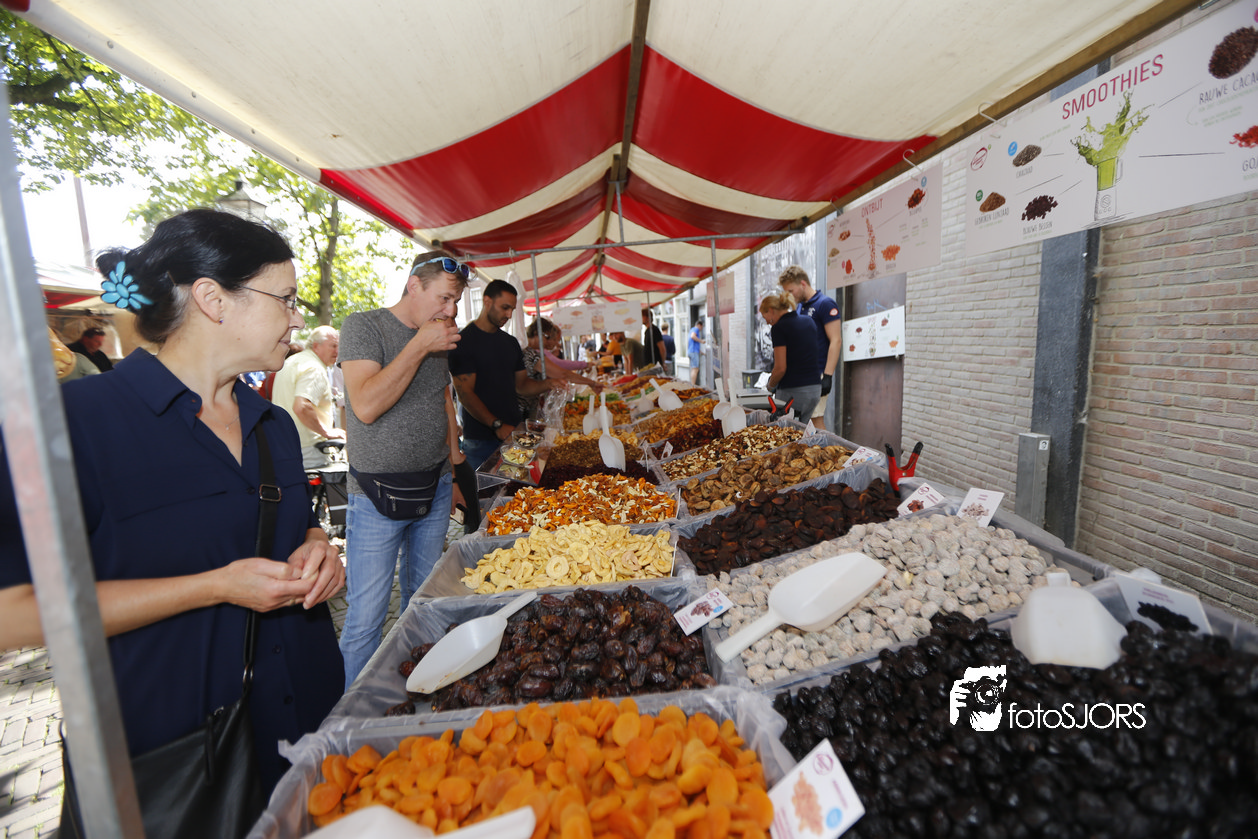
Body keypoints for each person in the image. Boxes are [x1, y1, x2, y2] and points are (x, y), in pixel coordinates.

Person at [0, 209, 346, 806]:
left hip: (310, 725)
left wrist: (319, 548)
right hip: (181, 758)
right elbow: (12, 613)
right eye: (286, 299)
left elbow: (293, 523)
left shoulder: (272, 425)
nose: (297, 318)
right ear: (214, 299)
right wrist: (214, 587)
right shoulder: (72, 424)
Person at [337, 252, 470, 687]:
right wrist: (419, 346)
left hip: (435, 484)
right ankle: (350, 714)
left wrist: (453, 472)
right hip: (375, 494)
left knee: (424, 600)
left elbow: (442, 401)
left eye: (455, 302)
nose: (450, 310)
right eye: (444, 298)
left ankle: (416, 690)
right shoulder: (364, 326)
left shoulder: (437, 333)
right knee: (366, 618)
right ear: (414, 285)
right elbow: (365, 405)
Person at [449, 279, 559, 470]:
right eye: (505, 307)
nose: (509, 315)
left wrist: (549, 384)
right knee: (484, 487)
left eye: (512, 309)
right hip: (481, 439)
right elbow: (465, 394)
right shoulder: (464, 342)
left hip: (513, 433)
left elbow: (522, 385)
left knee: (516, 485)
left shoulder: (510, 343)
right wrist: (496, 424)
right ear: (487, 301)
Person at [270, 325, 345, 469]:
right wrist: (326, 432)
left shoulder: (293, 361)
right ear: (316, 346)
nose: (337, 351)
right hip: (308, 448)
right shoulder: (314, 368)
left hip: (284, 443)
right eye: (333, 346)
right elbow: (302, 406)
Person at [779, 265, 841, 429]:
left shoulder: (825, 304)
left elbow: (836, 340)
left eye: (791, 291)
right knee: (801, 421)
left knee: (815, 420)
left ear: (803, 284)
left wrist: (827, 376)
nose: (789, 295)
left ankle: (827, 447)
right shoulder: (799, 307)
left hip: (816, 375)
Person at [519, 318, 601, 419]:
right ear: (536, 333)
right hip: (523, 408)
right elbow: (563, 373)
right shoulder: (531, 354)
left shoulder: (529, 351)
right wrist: (591, 383)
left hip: (528, 405)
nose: (549, 342)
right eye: (547, 337)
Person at [759, 290, 821, 423]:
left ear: (771, 310)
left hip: (793, 391)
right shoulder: (808, 321)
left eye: (765, 317)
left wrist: (769, 386)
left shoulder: (779, 328)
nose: (768, 322)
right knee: (802, 430)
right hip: (815, 389)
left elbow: (780, 368)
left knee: (785, 432)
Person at [688, 320, 705, 384]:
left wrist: (701, 352)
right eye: (702, 327)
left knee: (693, 369)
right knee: (695, 369)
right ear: (699, 325)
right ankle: (693, 385)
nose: (701, 329)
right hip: (693, 352)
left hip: (691, 351)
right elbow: (693, 336)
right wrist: (701, 341)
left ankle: (692, 384)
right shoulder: (696, 329)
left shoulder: (691, 329)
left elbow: (693, 343)